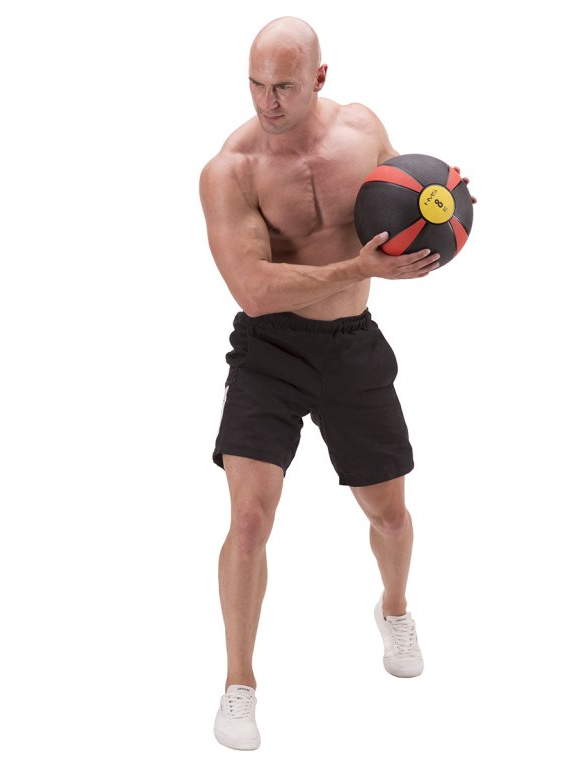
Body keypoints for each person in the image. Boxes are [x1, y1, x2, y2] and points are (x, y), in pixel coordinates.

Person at [199, 17, 474, 751]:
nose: (268, 102)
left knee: (391, 517)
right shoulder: (231, 169)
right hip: (270, 352)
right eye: (256, 85)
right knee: (249, 521)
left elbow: (405, 198)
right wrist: (357, 268)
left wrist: (446, 203)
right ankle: (238, 683)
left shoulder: (362, 130)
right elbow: (254, 288)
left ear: (319, 77)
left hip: (352, 347)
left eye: (284, 86)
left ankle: (394, 608)